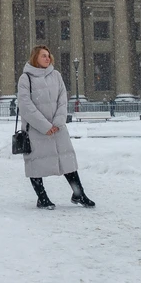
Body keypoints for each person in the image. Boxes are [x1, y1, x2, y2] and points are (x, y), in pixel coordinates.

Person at [17, 45, 95, 209]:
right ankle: (42, 197)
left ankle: (79, 194)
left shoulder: (56, 75)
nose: (47, 58)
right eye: (43, 56)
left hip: (57, 128)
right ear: (35, 58)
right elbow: (26, 106)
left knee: (67, 161)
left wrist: (58, 121)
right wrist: (45, 126)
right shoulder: (26, 78)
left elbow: (63, 99)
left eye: (48, 55)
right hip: (37, 130)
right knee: (36, 164)